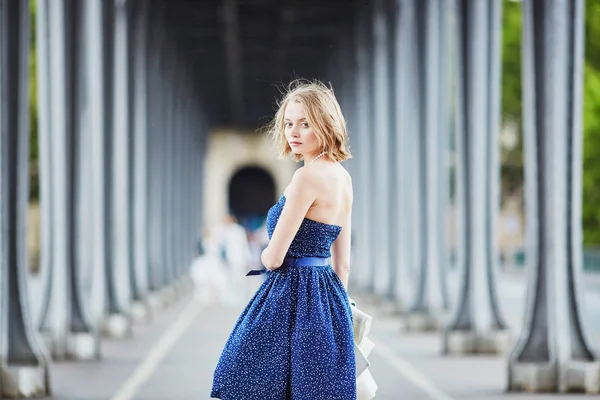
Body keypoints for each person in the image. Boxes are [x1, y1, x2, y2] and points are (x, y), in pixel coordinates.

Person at [210, 80, 359, 399]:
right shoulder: (344, 179)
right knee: (314, 388)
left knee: (245, 378)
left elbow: (274, 258)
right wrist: (335, 314)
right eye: (289, 123)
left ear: (325, 124)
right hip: (328, 298)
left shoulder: (306, 177)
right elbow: (343, 265)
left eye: (305, 124)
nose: (294, 131)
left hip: (289, 294)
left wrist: (262, 258)